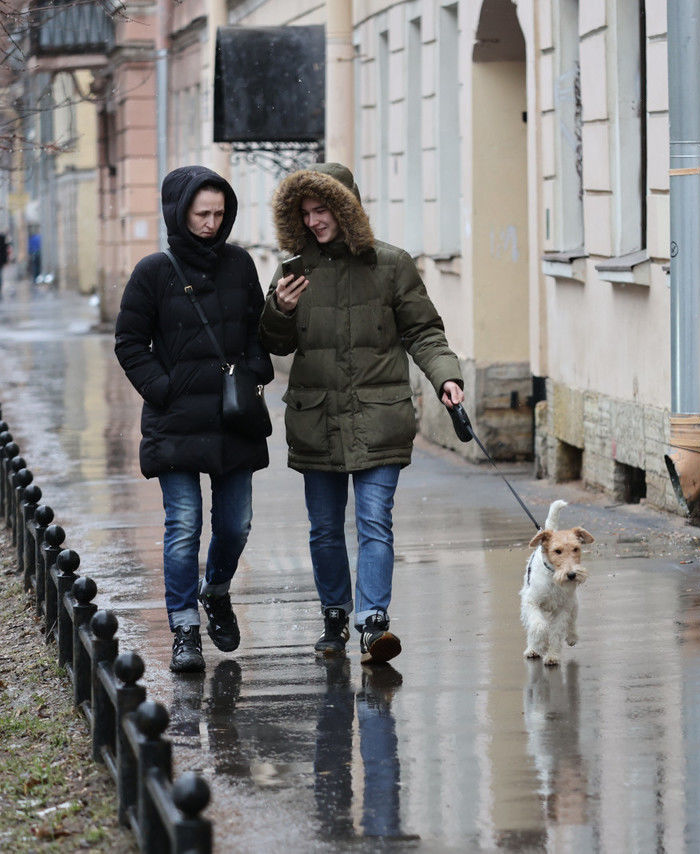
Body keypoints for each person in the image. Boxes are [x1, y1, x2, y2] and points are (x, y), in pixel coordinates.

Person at [259, 162, 464, 665]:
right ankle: (334, 615)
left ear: (345, 207)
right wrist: (279, 310)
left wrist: (446, 378)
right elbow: (271, 344)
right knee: (325, 529)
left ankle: (374, 622)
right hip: (316, 417)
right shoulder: (293, 271)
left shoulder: (391, 265)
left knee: (375, 522)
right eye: (304, 213)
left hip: (378, 413)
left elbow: (423, 331)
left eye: (321, 209)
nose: (313, 221)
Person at [114, 165, 273, 673]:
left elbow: (255, 331)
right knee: (184, 525)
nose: (210, 222)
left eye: (219, 214)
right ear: (179, 214)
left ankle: (217, 591)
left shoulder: (240, 265)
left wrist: (255, 370)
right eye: (201, 213)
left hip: (233, 420)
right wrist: (164, 390)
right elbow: (130, 343)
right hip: (176, 422)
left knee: (236, 524)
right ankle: (184, 628)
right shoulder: (153, 272)